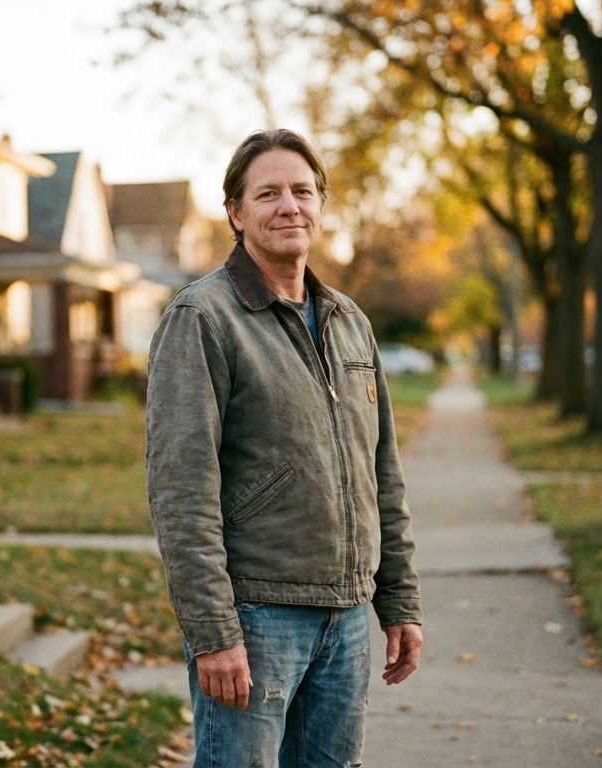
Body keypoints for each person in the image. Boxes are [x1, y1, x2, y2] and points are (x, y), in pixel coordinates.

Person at [145, 128, 423, 768]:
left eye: (302, 191)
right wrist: (214, 634)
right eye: (266, 193)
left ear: (321, 207)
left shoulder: (350, 322)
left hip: (348, 618)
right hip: (257, 617)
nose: (288, 206)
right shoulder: (203, 318)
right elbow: (181, 490)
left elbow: (382, 474)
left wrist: (398, 600)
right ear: (237, 214)